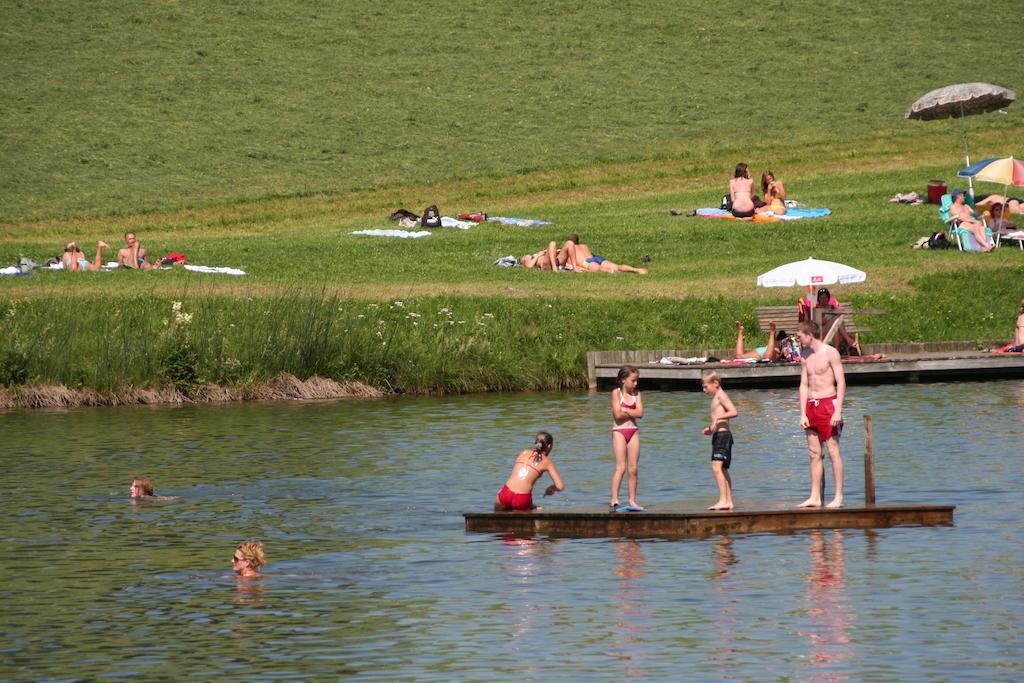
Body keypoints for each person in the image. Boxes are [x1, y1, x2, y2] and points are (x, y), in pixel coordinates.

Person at [796, 321, 846, 509]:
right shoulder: (804, 355)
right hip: (811, 405)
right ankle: (815, 496)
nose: (798, 339)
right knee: (814, 453)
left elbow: (841, 382)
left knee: (833, 451)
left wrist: (838, 411)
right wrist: (802, 413)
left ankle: (838, 496)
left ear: (810, 335)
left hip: (828, 404)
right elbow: (803, 384)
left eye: (800, 336)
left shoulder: (830, 352)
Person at [494, 431, 564, 511]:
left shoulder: (523, 453)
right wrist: (551, 488)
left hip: (505, 494)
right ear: (549, 446)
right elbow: (560, 486)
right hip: (522, 499)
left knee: (495, 519)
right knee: (527, 516)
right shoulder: (548, 462)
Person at [701, 370, 738, 511]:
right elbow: (719, 421)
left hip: (723, 437)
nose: (704, 390)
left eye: (706, 387)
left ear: (715, 383)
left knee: (716, 468)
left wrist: (718, 419)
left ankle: (723, 500)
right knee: (722, 468)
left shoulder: (721, 396)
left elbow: (734, 412)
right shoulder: (716, 397)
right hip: (719, 435)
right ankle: (728, 501)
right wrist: (710, 429)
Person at [610, 364, 644, 511]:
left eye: (636, 380)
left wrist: (626, 410)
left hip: (633, 431)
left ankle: (632, 500)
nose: (635, 383)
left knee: (633, 469)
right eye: (633, 380)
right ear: (623, 379)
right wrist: (632, 411)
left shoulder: (637, 394)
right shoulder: (616, 393)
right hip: (619, 431)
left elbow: (641, 413)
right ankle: (614, 499)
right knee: (621, 467)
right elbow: (618, 415)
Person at [804, 287, 861, 356]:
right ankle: (848, 340)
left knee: (835, 327)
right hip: (821, 331)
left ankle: (836, 351)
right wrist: (831, 318)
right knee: (835, 321)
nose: (823, 299)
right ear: (818, 299)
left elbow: (840, 315)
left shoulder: (832, 307)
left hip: (834, 330)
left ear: (828, 298)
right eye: (821, 298)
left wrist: (834, 315)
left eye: (825, 297)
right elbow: (819, 323)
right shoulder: (816, 309)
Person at [559, 234, 648, 274]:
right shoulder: (584, 246)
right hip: (597, 258)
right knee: (617, 266)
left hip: (587, 262)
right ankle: (637, 270)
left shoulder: (570, 250)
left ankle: (622, 274)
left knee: (604, 270)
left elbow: (567, 262)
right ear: (578, 241)